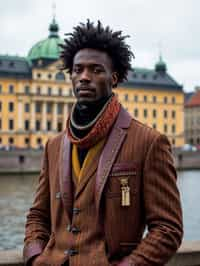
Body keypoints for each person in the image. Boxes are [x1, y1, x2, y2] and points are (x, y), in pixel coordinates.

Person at [23, 20, 183, 266]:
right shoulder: (53, 145)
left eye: (96, 70)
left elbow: (167, 228)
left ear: (114, 78)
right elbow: (38, 215)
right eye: (78, 70)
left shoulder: (149, 142)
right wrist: (34, 256)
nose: (84, 77)